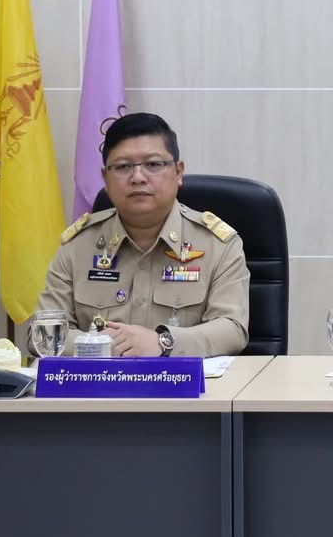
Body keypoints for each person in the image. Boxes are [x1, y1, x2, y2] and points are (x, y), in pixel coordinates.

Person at [30, 112, 249, 357]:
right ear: (105, 178)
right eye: (123, 167)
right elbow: (43, 333)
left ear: (178, 172)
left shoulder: (217, 244)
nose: (137, 177)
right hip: (97, 390)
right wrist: (104, 345)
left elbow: (232, 329)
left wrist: (163, 342)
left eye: (153, 165)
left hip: (184, 391)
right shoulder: (79, 245)